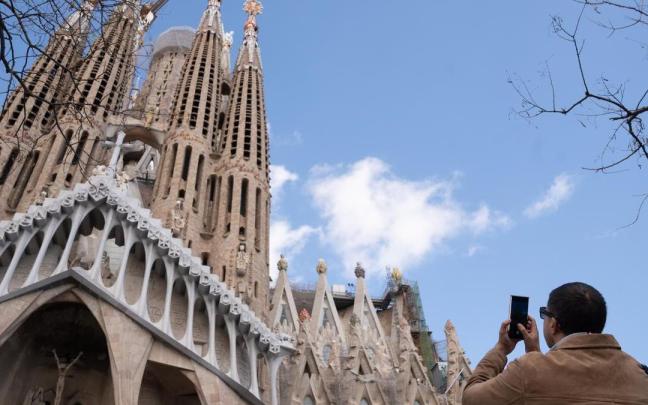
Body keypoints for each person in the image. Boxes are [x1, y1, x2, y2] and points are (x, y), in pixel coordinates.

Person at [463, 282, 648, 404]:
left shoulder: (527, 372)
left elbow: (471, 398)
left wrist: (501, 349)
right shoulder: (640, 375)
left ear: (554, 324)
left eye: (545, 313)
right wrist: (535, 355)